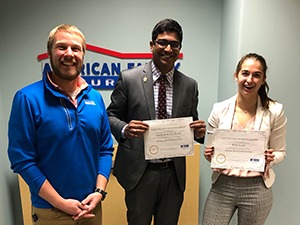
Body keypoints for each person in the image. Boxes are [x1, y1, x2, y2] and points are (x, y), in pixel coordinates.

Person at [7, 24, 114, 225]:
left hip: (91, 209)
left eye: (76, 48)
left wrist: (99, 192)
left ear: (83, 54)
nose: (69, 54)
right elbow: (22, 160)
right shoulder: (27, 98)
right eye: (61, 47)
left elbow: (105, 149)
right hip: (51, 212)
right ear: (50, 52)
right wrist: (60, 203)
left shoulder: (95, 98)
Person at [106, 18, 206, 225]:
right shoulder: (129, 78)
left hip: (173, 174)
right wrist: (125, 128)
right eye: (162, 42)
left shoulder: (189, 85)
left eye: (174, 44)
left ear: (179, 49)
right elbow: (110, 116)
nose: (168, 48)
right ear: (152, 45)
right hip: (139, 173)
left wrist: (200, 132)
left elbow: (192, 123)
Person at [202, 53, 287, 225]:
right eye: (245, 73)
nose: (250, 80)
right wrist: (210, 154)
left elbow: (281, 152)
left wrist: (271, 158)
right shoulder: (219, 109)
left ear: (263, 80)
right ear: (236, 76)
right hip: (223, 185)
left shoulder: (275, 111)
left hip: (257, 188)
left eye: (257, 75)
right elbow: (210, 153)